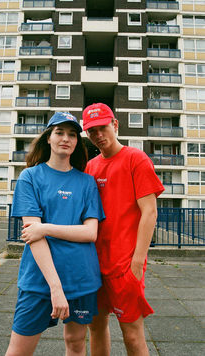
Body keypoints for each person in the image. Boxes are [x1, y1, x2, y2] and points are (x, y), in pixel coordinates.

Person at [5, 112, 105, 356]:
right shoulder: (29, 177)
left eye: (72, 134)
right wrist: (55, 288)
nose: (66, 138)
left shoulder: (87, 182)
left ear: (77, 143)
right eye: (59, 132)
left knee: (76, 343)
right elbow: (33, 235)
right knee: (18, 350)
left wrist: (46, 227)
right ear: (48, 138)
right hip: (39, 282)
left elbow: (90, 233)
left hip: (81, 279)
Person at [82, 103, 165, 356]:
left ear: (115, 125)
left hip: (124, 265)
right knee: (96, 328)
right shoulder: (91, 167)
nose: (98, 135)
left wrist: (137, 262)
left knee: (131, 334)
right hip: (95, 264)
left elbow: (149, 212)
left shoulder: (136, 159)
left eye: (103, 127)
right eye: (91, 130)